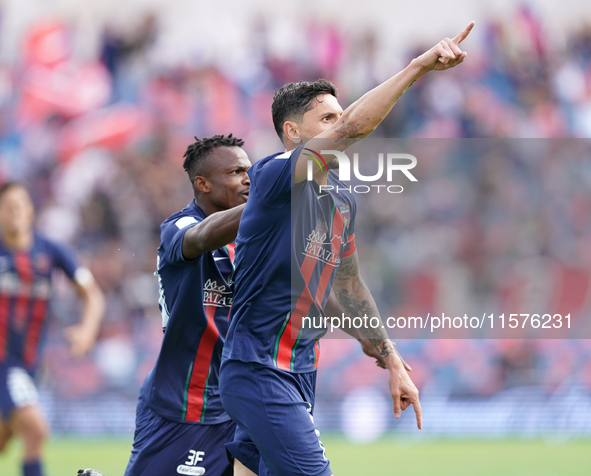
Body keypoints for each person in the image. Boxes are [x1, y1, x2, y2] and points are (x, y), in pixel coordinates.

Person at [219, 22, 475, 476]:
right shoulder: (279, 174)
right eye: (328, 119)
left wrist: (390, 357)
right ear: (294, 133)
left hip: (297, 370)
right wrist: (417, 67)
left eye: (339, 115)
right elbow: (356, 126)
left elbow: (347, 286)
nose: (340, 125)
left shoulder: (339, 197)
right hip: (259, 368)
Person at [124, 134, 252, 476]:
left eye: (250, 170)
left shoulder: (251, 239)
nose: (248, 178)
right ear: (203, 183)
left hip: (237, 406)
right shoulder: (179, 227)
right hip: (182, 406)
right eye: (237, 171)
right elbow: (201, 238)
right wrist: (266, 203)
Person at [0, 182, 105, 476]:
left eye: (20, 205)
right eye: (8, 207)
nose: (15, 212)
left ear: (31, 210)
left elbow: (92, 294)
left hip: (31, 363)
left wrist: (87, 329)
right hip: (3, 362)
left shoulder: (52, 251)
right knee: (36, 431)